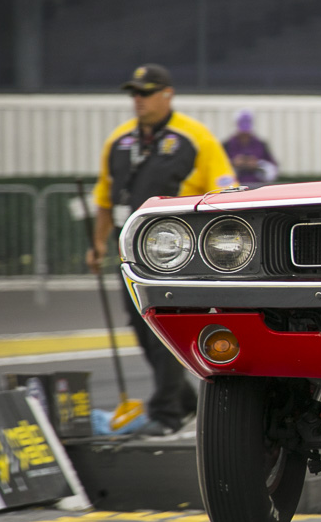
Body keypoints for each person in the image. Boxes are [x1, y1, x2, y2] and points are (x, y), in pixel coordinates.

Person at [88, 63, 237, 436]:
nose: (138, 100)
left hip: (176, 256)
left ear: (167, 94)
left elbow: (226, 191)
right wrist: (97, 244)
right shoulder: (119, 141)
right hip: (129, 252)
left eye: (146, 92)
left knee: (164, 327)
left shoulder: (194, 138)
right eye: (134, 93)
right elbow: (105, 198)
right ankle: (183, 400)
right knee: (141, 326)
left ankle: (167, 412)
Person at [223, 109, 277, 187]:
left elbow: (273, 171)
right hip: (233, 187)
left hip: (257, 186)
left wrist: (258, 165)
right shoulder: (227, 145)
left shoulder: (261, 144)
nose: (245, 134)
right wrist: (233, 163)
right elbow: (218, 170)